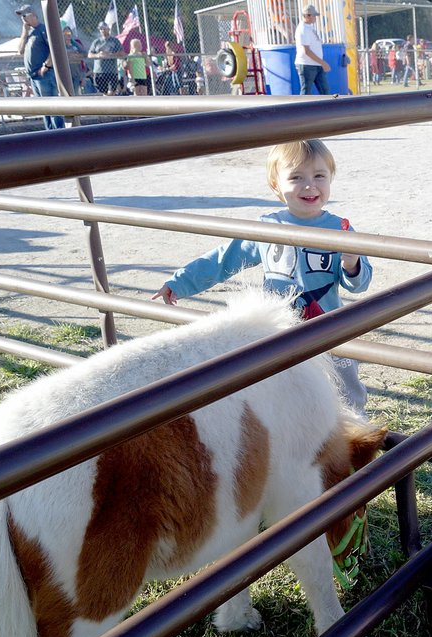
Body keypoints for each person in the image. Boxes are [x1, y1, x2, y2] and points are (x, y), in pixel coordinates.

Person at [152, 140, 372, 414]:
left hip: (326, 325)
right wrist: (180, 282)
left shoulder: (340, 228)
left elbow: (359, 283)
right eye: (296, 177)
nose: (309, 185)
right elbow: (224, 259)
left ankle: (353, 427)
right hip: (278, 327)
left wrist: (352, 262)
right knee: (281, 383)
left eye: (319, 176)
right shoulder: (268, 227)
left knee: (342, 382)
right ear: (275, 184)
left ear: (330, 179)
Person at [16, 4, 64, 130]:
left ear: (33, 15)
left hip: (45, 75)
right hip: (34, 77)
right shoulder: (28, 32)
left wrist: (46, 66)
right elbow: (20, 50)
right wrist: (24, 33)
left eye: (25, 15)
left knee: (52, 108)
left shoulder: (43, 29)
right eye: (21, 16)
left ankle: (59, 136)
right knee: (44, 109)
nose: (23, 19)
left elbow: (54, 50)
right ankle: (49, 135)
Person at [295, 4, 330, 95]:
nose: (315, 18)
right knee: (306, 92)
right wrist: (323, 63)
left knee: (325, 91)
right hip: (306, 65)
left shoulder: (309, 27)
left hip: (316, 64)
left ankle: (327, 108)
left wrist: (321, 63)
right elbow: (306, 51)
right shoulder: (302, 29)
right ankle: (302, 109)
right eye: (314, 15)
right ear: (307, 16)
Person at [88, 21, 124, 96]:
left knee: (111, 92)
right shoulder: (96, 42)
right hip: (99, 71)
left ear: (108, 29)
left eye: (105, 28)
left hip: (111, 70)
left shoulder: (115, 41)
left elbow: (122, 53)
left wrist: (111, 55)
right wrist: (98, 55)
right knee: (104, 93)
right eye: (101, 29)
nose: (103, 30)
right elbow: (90, 54)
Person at [62, 21, 87, 96]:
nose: (68, 35)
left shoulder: (75, 44)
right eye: (65, 33)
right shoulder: (61, 45)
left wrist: (75, 55)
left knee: (75, 94)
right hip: (65, 74)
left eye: (69, 33)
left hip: (76, 74)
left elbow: (84, 54)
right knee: (66, 94)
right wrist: (70, 55)